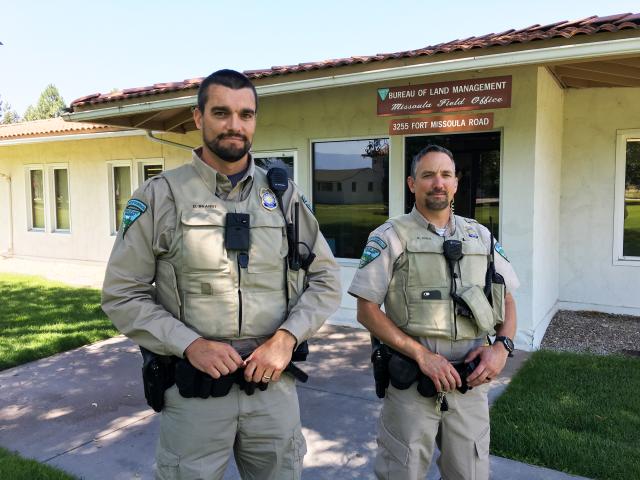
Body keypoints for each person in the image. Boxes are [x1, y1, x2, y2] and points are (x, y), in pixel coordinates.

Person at [102, 69, 341, 480]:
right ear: (198, 118)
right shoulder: (160, 196)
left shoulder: (284, 196)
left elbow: (326, 279)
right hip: (196, 390)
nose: (235, 125)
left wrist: (286, 339)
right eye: (221, 112)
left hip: (272, 387)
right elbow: (122, 294)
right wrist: (190, 343)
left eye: (246, 114)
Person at [348, 144, 519, 480]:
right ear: (412, 183)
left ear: (456, 183)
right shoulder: (390, 236)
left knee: (469, 472)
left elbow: (507, 299)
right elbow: (366, 310)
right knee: (402, 471)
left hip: (470, 382)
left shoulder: (480, 236)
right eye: (428, 175)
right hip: (413, 382)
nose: (437, 182)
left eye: (445, 175)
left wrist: (502, 348)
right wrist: (422, 355)